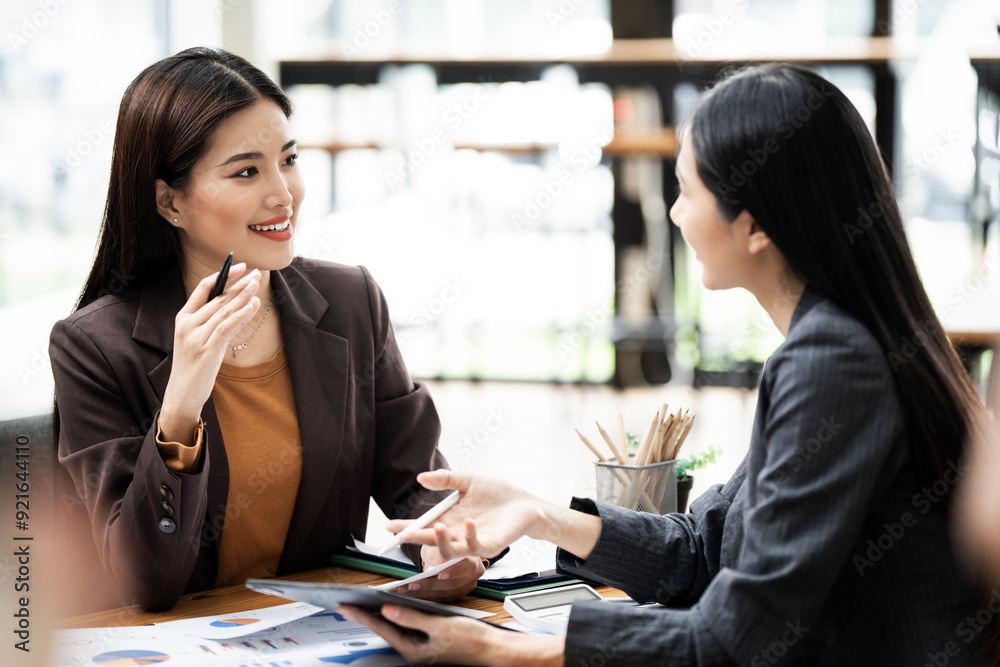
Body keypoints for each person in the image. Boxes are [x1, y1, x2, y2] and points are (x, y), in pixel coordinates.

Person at [340, 63, 997, 665]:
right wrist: (537, 511)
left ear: (756, 226)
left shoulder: (834, 360)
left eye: (686, 191)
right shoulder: (837, 337)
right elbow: (709, 548)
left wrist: (501, 651)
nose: (676, 214)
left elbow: (735, 639)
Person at [48, 46, 484, 613]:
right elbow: (144, 581)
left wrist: (451, 549)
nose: (284, 193)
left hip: (324, 640)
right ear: (169, 201)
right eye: (247, 171)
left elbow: (421, 494)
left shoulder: (351, 302)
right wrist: (181, 405)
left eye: (289, 159)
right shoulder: (94, 347)